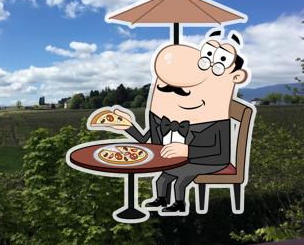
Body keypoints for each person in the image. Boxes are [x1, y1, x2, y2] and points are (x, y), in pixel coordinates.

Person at [94, 30, 250, 215]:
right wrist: (127, 126)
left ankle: (179, 204)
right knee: (161, 179)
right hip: (182, 158)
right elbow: (147, 141)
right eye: (170, 88)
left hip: (211, 161)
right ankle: (160, 199)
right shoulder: (163, 119)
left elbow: (221, 152)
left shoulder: (216, 122)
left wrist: (188, 150)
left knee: (181, 176)